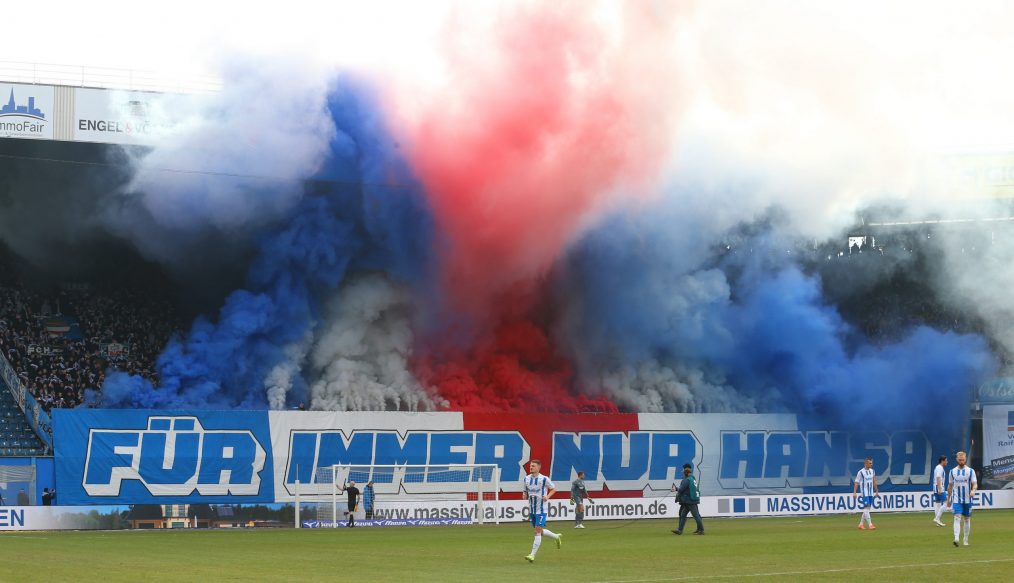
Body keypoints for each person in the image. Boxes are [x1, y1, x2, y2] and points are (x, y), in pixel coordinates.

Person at [523, 459, 561, 563]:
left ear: (539, 467)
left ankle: (532, 555)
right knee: (539, 531)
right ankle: (556, 537)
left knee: (537, 531)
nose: (531, 467)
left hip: (541, 510)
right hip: (532, 510)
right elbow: (525, 489)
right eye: (530, 466)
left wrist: (547, 496)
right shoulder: (526, 478)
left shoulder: (544, 479)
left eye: (533, 466)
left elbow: (553, 489)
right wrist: (524, 494)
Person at [947, 451, 977, 547]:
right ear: (957, 459)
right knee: (957, 517)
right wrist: (948, 499)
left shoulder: (970, 471)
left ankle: (965, 539)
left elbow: (975, 483)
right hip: (957, 500)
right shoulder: (952, 471)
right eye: (959, 459)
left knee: (967, 519)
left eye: (963, 459)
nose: (961, 461)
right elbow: (950, 486)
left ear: (965, 459)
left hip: (968, 500)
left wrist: (973, 490)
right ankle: (956, 538)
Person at [671, 463, 704, 535]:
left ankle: (701, 530)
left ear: (686, 473)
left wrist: (675, 489)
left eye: (683, 473)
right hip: (691, 500)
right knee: (683, 515)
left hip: (690, 501)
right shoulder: (692, 478)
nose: (682, 474)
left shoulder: (686, 480)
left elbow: (681, 490)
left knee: (696, 516)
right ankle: (680, 530)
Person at [852, 457, 880, 530]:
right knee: (866, 507)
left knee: (867, 508)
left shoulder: (872, 471)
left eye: (872, 463)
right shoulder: (861, 472)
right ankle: (870, 524)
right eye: (870, 463)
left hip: (871, 492)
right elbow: (856, 482)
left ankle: (861, 524)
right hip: (864, 492)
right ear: (866, 463)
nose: (871, 464)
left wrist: (876, 491)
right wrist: (854, 492)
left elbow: (874, 481)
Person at [931, 455, 948, 526]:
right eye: (946, 460)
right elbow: (938, 477)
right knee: (946, 503)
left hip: (935, 487)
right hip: (939, 487)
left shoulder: (937, 467)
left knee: (938, 504)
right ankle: (937, 518)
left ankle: (937, 521)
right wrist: (940, 488)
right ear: (942, 461)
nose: (947, 462)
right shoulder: (940, 468)